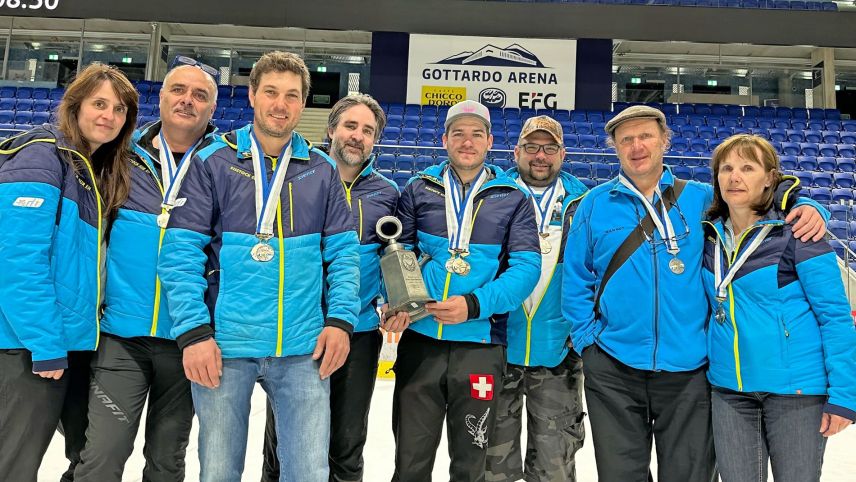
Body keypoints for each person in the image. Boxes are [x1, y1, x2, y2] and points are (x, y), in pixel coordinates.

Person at [562, 105, 828, 482]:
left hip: (689, 370)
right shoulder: (594, 204)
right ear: (615, 148)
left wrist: (810, 206)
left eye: (646, 136)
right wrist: (589, 341)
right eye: (626, 140)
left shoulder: (702, 199)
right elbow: (575, 279)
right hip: (614, 368)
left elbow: (761, 204)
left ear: (664, 141)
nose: (637, 146)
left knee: (690, 475)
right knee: (620, 474)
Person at [157, 51, 360, 482]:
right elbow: (180, 254)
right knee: (218, 472)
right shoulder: (213, 160)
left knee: (308, 472)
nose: (280, 105)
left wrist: (341, 321)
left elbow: (343, 255)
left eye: (291, 95)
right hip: (224, 347)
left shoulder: (321, 170)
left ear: (303, 103)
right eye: (270, 92)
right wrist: (193, 333)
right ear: (252, 95)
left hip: (303, 349)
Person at [73, 60, 219, 481]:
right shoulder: (118, 154)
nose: (187, 101)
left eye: (200, 95)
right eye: (178, 90)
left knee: (167, 461)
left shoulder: (223, 164)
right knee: (99, 457)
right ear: (162, 95)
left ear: (212, 109)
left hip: (188, 341)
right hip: (122, 336)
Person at [386, 99, 541, 482]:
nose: (467, 142)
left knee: (471, 463)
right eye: (458, 134)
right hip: (421, 342)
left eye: (476, 135)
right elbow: (398, 254)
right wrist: (398, 303)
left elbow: (526, 269)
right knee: (409, 462)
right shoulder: (419, 189)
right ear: (444, 140)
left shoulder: (513, 198)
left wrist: (474, 305)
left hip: (480, 346)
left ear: (490, 141)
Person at [0, 63, 138, 482]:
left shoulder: (91, 169)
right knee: (14, 464)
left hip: (75, 343)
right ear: (74, 105)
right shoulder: (42, 155)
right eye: (99, 103)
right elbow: (18, 262)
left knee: (89, 456)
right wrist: (44, 344)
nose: (108, 116)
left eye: (119, 110)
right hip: (29, 348)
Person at [261, 93, 400, 482]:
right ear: (331, 129)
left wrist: (394, 302)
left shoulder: (387, 193)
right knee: (283, 444)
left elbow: (396, 257)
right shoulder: (296, 178)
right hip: (298, 330)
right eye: (350, 126)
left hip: (356, 333)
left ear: (376, 140)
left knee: (346, 444)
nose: (358, 136)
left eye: (367, 130)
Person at [701, 134, 856, 482]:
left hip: (796, 393)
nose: (734, 177)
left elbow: (835, 317)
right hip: (730, 391)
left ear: (770, 178)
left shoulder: (798, 233)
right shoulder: (709, 236)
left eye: (747, 167)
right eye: (726, 168)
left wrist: (845, 394)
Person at [485, 115, 588, 482]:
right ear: (516, 151)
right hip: (497, 350)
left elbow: (597, 272)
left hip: (558, 355)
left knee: (555, 467)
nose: (539, 155)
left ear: (562, 153)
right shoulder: (492, 195)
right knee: (492, 466)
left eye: (549, 148)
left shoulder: (584, 203)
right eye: (531, 147)